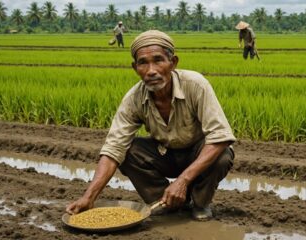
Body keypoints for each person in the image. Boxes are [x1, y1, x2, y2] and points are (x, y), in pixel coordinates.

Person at [66, 30, 236, 221]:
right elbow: (113, 148)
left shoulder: (195, 85)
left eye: (158, 60)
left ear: (173, 63)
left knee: (222, 153)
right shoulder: (134, 99)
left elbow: (220, 137)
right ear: (134, 67)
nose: (151, 70)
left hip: (197, 154)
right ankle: (165, 200)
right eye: (143, 63)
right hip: (165, 154)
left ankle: (200, 202)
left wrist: (183, 180)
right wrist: (89, 197)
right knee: (127, 151)